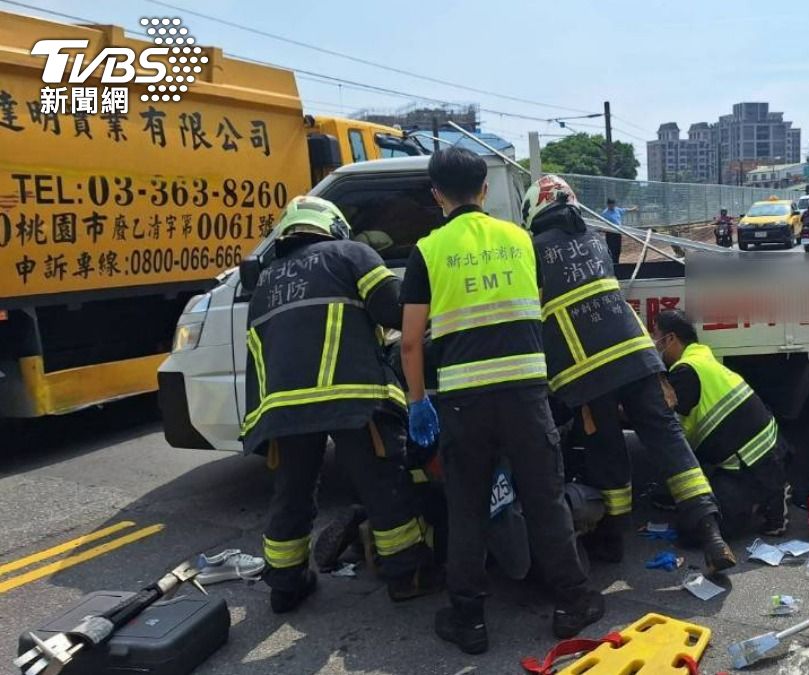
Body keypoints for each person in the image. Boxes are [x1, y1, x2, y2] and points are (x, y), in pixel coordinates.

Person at [399, 149, 603, 655]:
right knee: (545, 498)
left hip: (464, 402)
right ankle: (573, 603)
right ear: (485, 191)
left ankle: (469, 620)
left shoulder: (427, 251)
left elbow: (409, 341)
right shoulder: (521, 240)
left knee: (466, 507)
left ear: (436, 195)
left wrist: (417, 401)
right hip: (526, 395)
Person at [518, 175, 737, 573]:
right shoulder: (598, 241)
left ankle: (612, 541)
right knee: (669, 441)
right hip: (638, 357)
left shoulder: (531, 252)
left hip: (587, 369)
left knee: (606, 451)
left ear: (534, 210)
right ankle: (711, 533)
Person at [241, 195, 439, 614]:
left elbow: (257, 352)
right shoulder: (352, 254)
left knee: (291, 494)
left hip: (282, 407)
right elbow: (395, 310)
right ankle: (406, 576)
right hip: (352, 396)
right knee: (383, 484)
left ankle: (285, 585)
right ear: (332, 226)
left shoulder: (266, 281)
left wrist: (257, 425)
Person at [654, 310, 809, 538]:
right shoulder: (700, 359)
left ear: (671, 339)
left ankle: (770, 495)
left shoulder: (686, 372)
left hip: (753, 463)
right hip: (765, 451)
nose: (655, 345)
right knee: (697, 510)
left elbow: (669, 430)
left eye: (657, 338)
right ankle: (767, 493)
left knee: (695, 531)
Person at [600, 197, 638, 264]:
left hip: (618, 233)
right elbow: (601, 224)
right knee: (611, 249)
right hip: (610, 233)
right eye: (611, 205)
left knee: (618, 249)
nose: (612, 206)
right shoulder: (605, 213)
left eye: (613, 205)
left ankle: (617, 263)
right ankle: (611, 263)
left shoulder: (617, 209)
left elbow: (625, 210)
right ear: (608, 205)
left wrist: (633, 209)